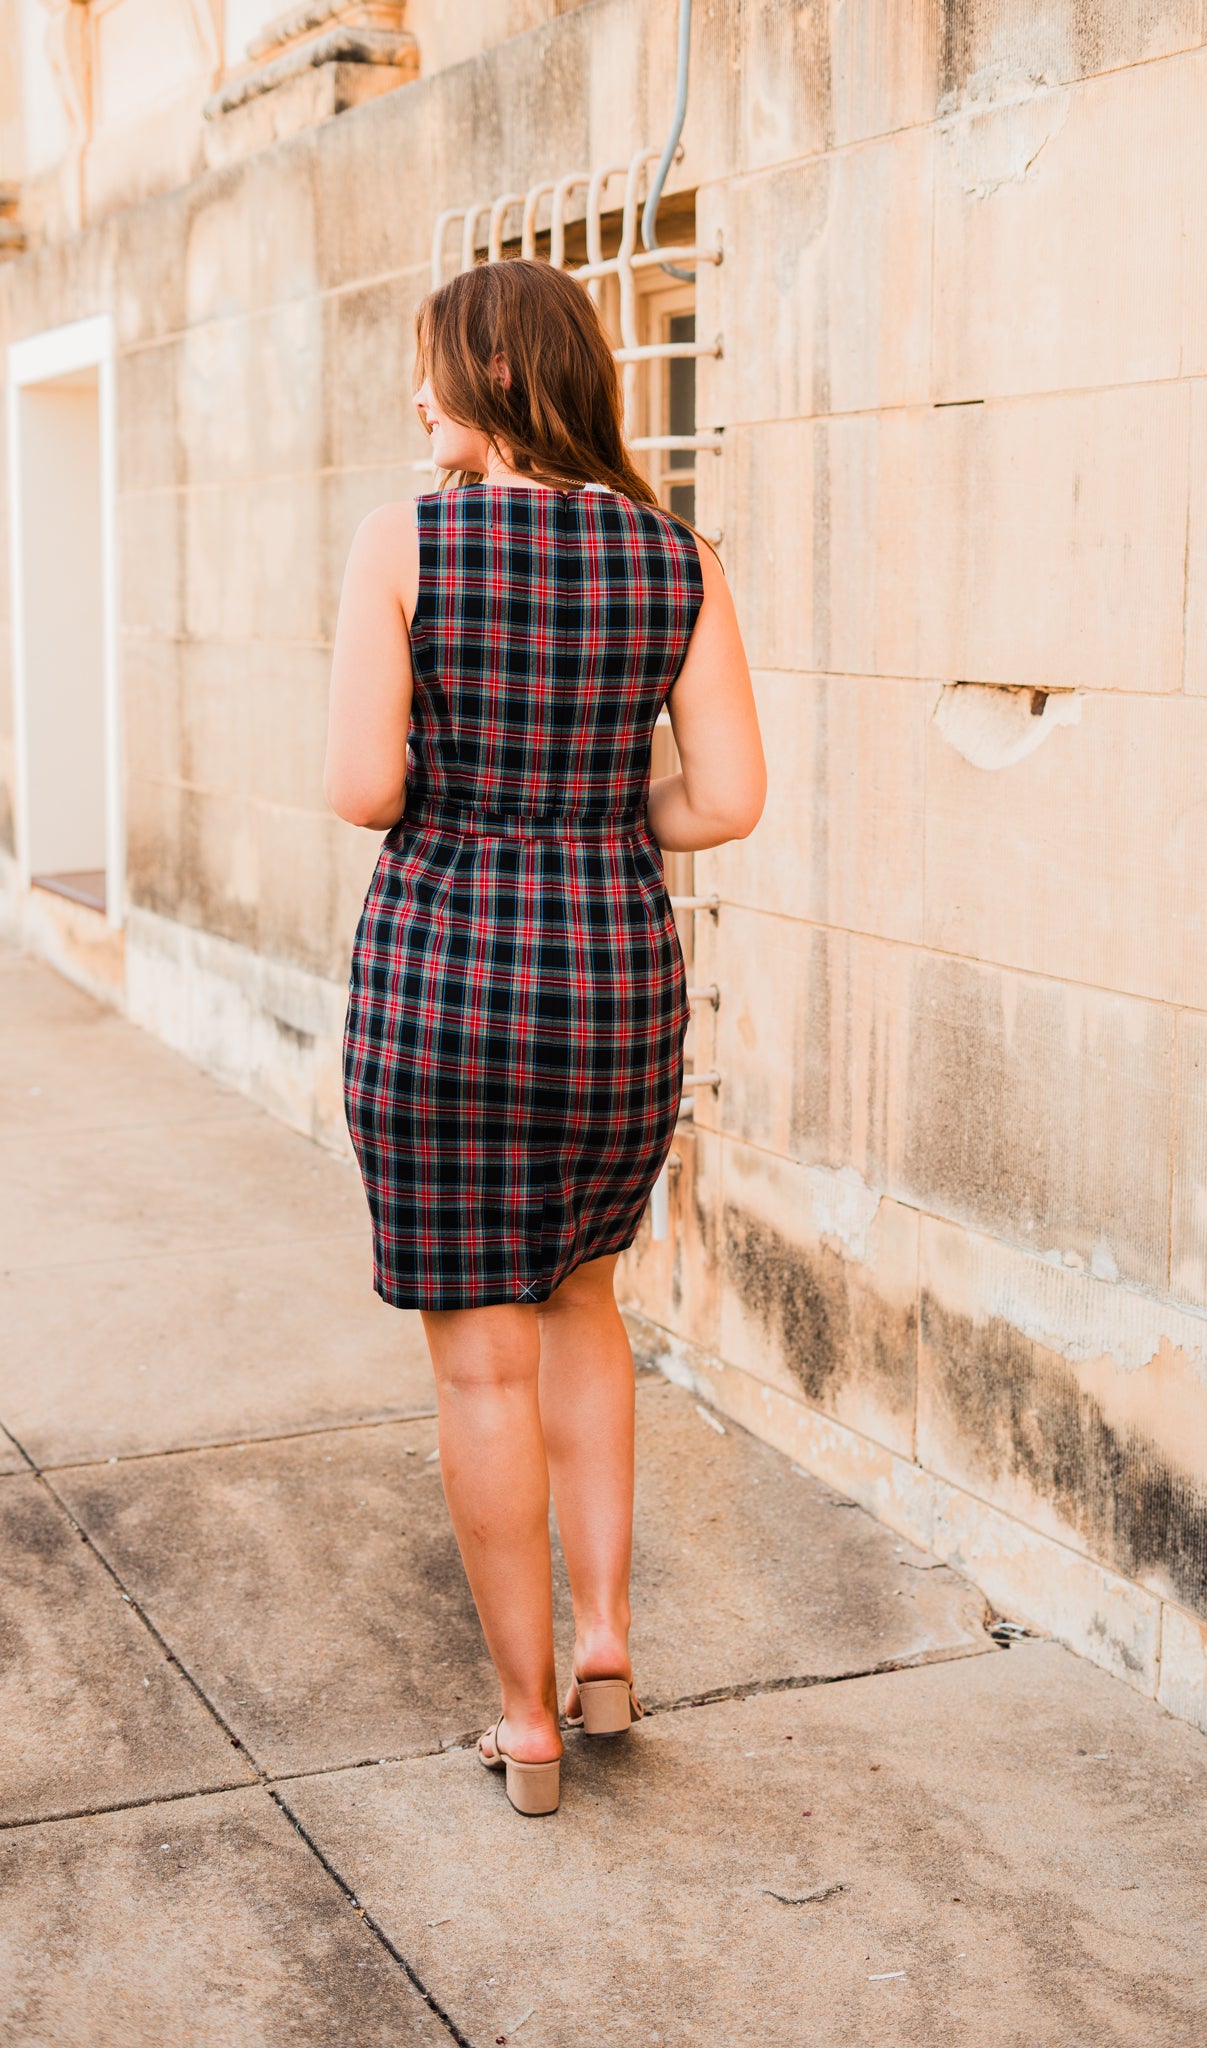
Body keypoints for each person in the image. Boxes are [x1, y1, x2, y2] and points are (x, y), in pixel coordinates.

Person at [323, 258, 765, 1815]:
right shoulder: (676, 557)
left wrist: (486, 810)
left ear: (496, 377)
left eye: (430, 368)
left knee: (478, 1377)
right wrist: (592, 821)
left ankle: (521, 1726)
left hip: (441, 991)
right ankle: (604, 1641)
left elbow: (364, 789)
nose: (413, 397)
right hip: (611, 995)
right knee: (585, 1302)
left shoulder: (403, 541)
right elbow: (724, 800)